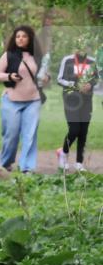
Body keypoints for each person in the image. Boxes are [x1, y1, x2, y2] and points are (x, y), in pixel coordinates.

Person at [0, 25, 44, 173]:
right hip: (11, 100)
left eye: (24, 36)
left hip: (33, 100)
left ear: (30, 39)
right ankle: (6, 163)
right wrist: (9, 76)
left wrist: (46, 78)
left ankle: (27, 168)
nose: (20, 39)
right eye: (18, 36)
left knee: (30, 135)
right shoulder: (8, 55)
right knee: (11, 134)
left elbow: (44, 75)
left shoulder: (37, 56)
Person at [56, 42, 98, 172]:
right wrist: (75, 84)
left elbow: (96, 78)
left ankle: (79, 162)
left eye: (85, 45)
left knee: (83, 131)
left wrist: (90, 85)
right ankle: (63, 154)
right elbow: (59, 79)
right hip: (71, 100)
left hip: (86, 100)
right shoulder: (67, 60)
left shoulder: (92, 61)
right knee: (74, 129)